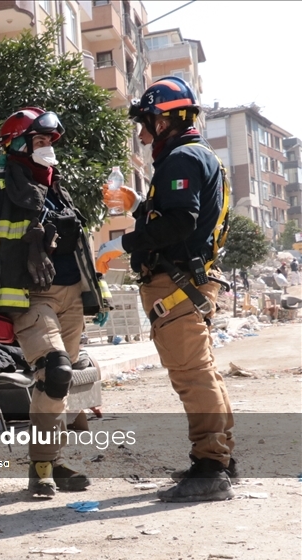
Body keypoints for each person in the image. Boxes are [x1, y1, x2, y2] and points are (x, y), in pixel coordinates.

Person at [95, 76, 235, 502]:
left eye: (145, 123)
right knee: (202, 372)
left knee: (192, 376)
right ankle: (221, 458)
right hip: (188, 283)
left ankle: (211, 468)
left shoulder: (181, 159)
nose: (141, 134)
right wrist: (139, 205)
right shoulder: (197, 156)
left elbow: (179, 223)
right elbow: (177, 215)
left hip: (176, 284)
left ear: (163, 121)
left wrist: (119, 244)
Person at [0, 108, 107, 497]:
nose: (48, 148)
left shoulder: (57, 189)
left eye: (50, 141)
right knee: (55, 372)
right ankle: (42, 468)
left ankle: (49, 462)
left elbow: (80, 246)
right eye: (40, 141)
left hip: (72, 295)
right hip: (29, 296)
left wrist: (97, 290)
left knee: (61, 387)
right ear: (17, 145)